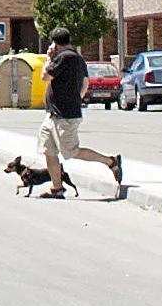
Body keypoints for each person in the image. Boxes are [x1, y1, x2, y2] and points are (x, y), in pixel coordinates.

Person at [34, 41, 123, 200]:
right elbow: (86, 83)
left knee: (71, 152)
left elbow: (45, 76)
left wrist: (48, 57)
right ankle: (57, 188)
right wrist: (78, 99)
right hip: (53, 114)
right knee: (49, 150)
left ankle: (110, 161)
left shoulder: (64, 58)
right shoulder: (77, 58)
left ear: (56, 43)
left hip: (64, 115)